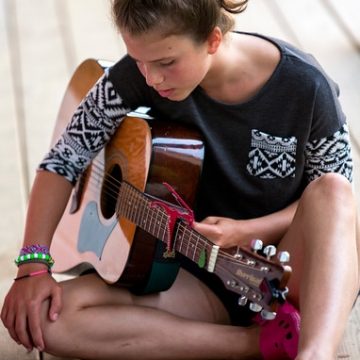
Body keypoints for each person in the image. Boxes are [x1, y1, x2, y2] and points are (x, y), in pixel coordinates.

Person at [1, 0, 359, 359]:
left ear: (213, 40)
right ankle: (260, 343)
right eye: (139, 60)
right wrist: (33, 264)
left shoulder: (305, 86)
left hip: (288, 270)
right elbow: (66, 157)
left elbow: (335, 210)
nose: (152, 78)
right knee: (46, 318)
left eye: (166, 63)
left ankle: (315, 352)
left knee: (333, 188)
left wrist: (247, 230)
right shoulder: (137, 76)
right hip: (194, 276)